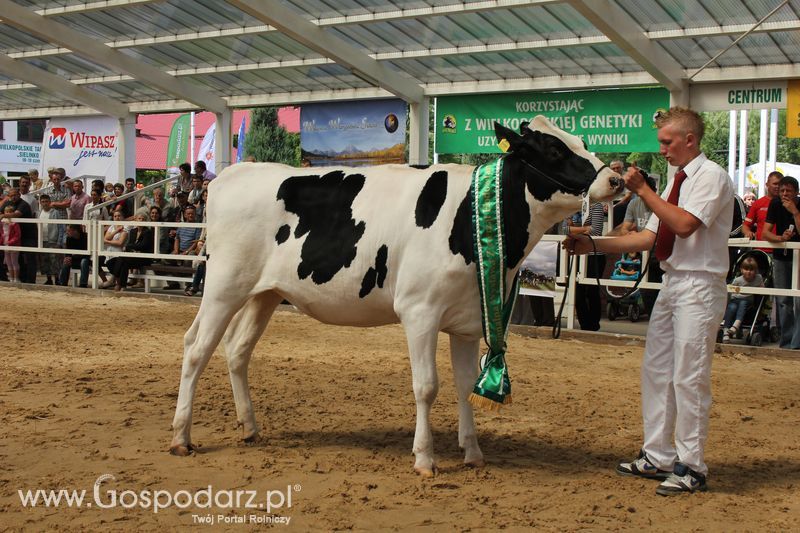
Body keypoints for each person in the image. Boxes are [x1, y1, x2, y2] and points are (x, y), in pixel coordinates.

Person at [566, 107, 734, 496]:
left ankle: (691, 465)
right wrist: (592, 244)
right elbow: (645, 238)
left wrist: (643, 190)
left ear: (690, 140)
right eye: (661, 142)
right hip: (676, 283)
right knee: (657, 370)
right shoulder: (678, 181)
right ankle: (657, 454)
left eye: (667, 142)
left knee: (689, 377)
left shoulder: (711, 177)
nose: (663, 149)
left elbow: (685, 225)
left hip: (701, 284)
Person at [761, 175, 800, 349]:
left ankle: (796, 343)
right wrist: (780, 238)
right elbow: (765, 233)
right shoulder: (775, 204)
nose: (784, 194)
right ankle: (786, 342)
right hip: (780, 257)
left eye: (788, 191)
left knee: (798, 301)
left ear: (796, 193)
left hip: (798, 258)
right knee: (783, 300)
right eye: (782, 190)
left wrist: (795, 212)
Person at [569, 201, 605, 331]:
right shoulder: (573, 205)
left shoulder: (597, 205)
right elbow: (564, 229)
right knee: (577, 292)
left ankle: (593, 325)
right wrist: (585, 229)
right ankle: (584, 325)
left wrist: (574, 230)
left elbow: (595, 231)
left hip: (595, 255)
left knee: (592, 291)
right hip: (577, 254)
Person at [721, 256, 764, 343]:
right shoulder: (738, 280)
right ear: (741, 270)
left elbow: (763, 287)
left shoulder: (758, 278)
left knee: (743, 303)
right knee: (731, 307)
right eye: (746, 269)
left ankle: (736, 326)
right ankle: (726, 330)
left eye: (751, 270)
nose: (749, 272)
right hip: (736, 299)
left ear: (755, 271)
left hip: (748, 301)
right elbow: (731, 290)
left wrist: (761, 289)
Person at [108, 213, 154, 291]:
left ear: (146, 221)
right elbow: (130, 244)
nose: (141, 220)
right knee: (110, 262)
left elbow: (142, 246)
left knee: (123, 261)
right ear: (135, 220)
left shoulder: (147, 232)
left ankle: (118, 283)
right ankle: (121, 285)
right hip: (132, 256)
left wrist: (131, 246)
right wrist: (131, 247)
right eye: (139, 219)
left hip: (144, 258)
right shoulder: (133, 231)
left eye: (143, 219)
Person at [742, 171, 782, 246]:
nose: (777, 186)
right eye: (775, 184)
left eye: (780, 184)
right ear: (767, 185)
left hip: (784, 249)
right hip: (762, 249)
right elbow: (745, 225)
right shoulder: (758, 203)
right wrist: (748, 232)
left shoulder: (788, 203)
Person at [99, 210, 128, 289]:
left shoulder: (125, 227)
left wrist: (108, 241)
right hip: (109, 252)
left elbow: (120, 243)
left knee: (117, 264)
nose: (117, 218)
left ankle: (117, 283)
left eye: (119, 216)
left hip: (119, 252)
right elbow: (105, 238)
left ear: (122, 217)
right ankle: (113, 282)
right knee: (103, 262)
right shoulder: (112, 227)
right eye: (115, 216)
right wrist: (116, 231)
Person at [37, 195, 61, 285]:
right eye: (43, 201)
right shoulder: (38, 213)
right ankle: (49, 279)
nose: (45, 203)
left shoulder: (55, 212)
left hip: (53, 240)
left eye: (46, 201)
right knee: (45, 260)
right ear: (40, 202)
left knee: (54, 260)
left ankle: (57, 279)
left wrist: (59, 241)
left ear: (50, 202)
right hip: (42, 240)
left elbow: (61, 227)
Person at [0, 204, 21, 282]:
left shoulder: (15, 223)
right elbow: (1, 234)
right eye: (6, 212)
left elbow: (17, 235)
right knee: (8, 263)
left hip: (13, 245)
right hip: (5, 244)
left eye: (10, 212)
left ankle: (16, 278)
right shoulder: (2, 223)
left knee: (14, 262)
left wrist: (10, 242)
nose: (8, 213)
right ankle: (11, 278)